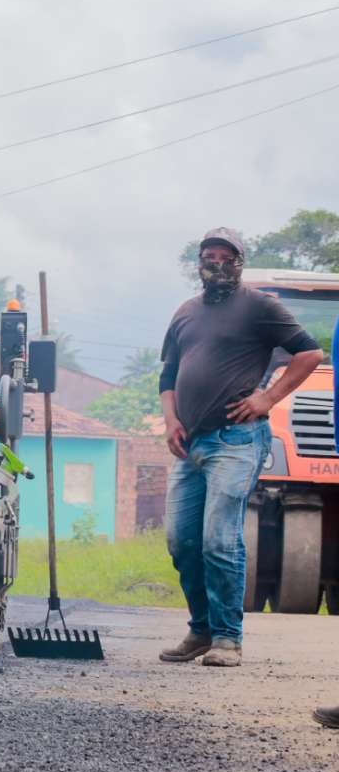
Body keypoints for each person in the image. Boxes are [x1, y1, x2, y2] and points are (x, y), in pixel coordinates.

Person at [158, 227, 325, 669]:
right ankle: (201, 630)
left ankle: (228, 639)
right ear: (199, 264)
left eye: (225, 256)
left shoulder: (259, 306)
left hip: (236, 440)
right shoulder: (185, 313)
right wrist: (171, 419)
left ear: (239, 262)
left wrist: (267, 398)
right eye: (209, 255)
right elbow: (167, 375)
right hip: (189, 443)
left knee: (218, 539)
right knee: (181, 541)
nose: (217, 262)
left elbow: (309, 354)